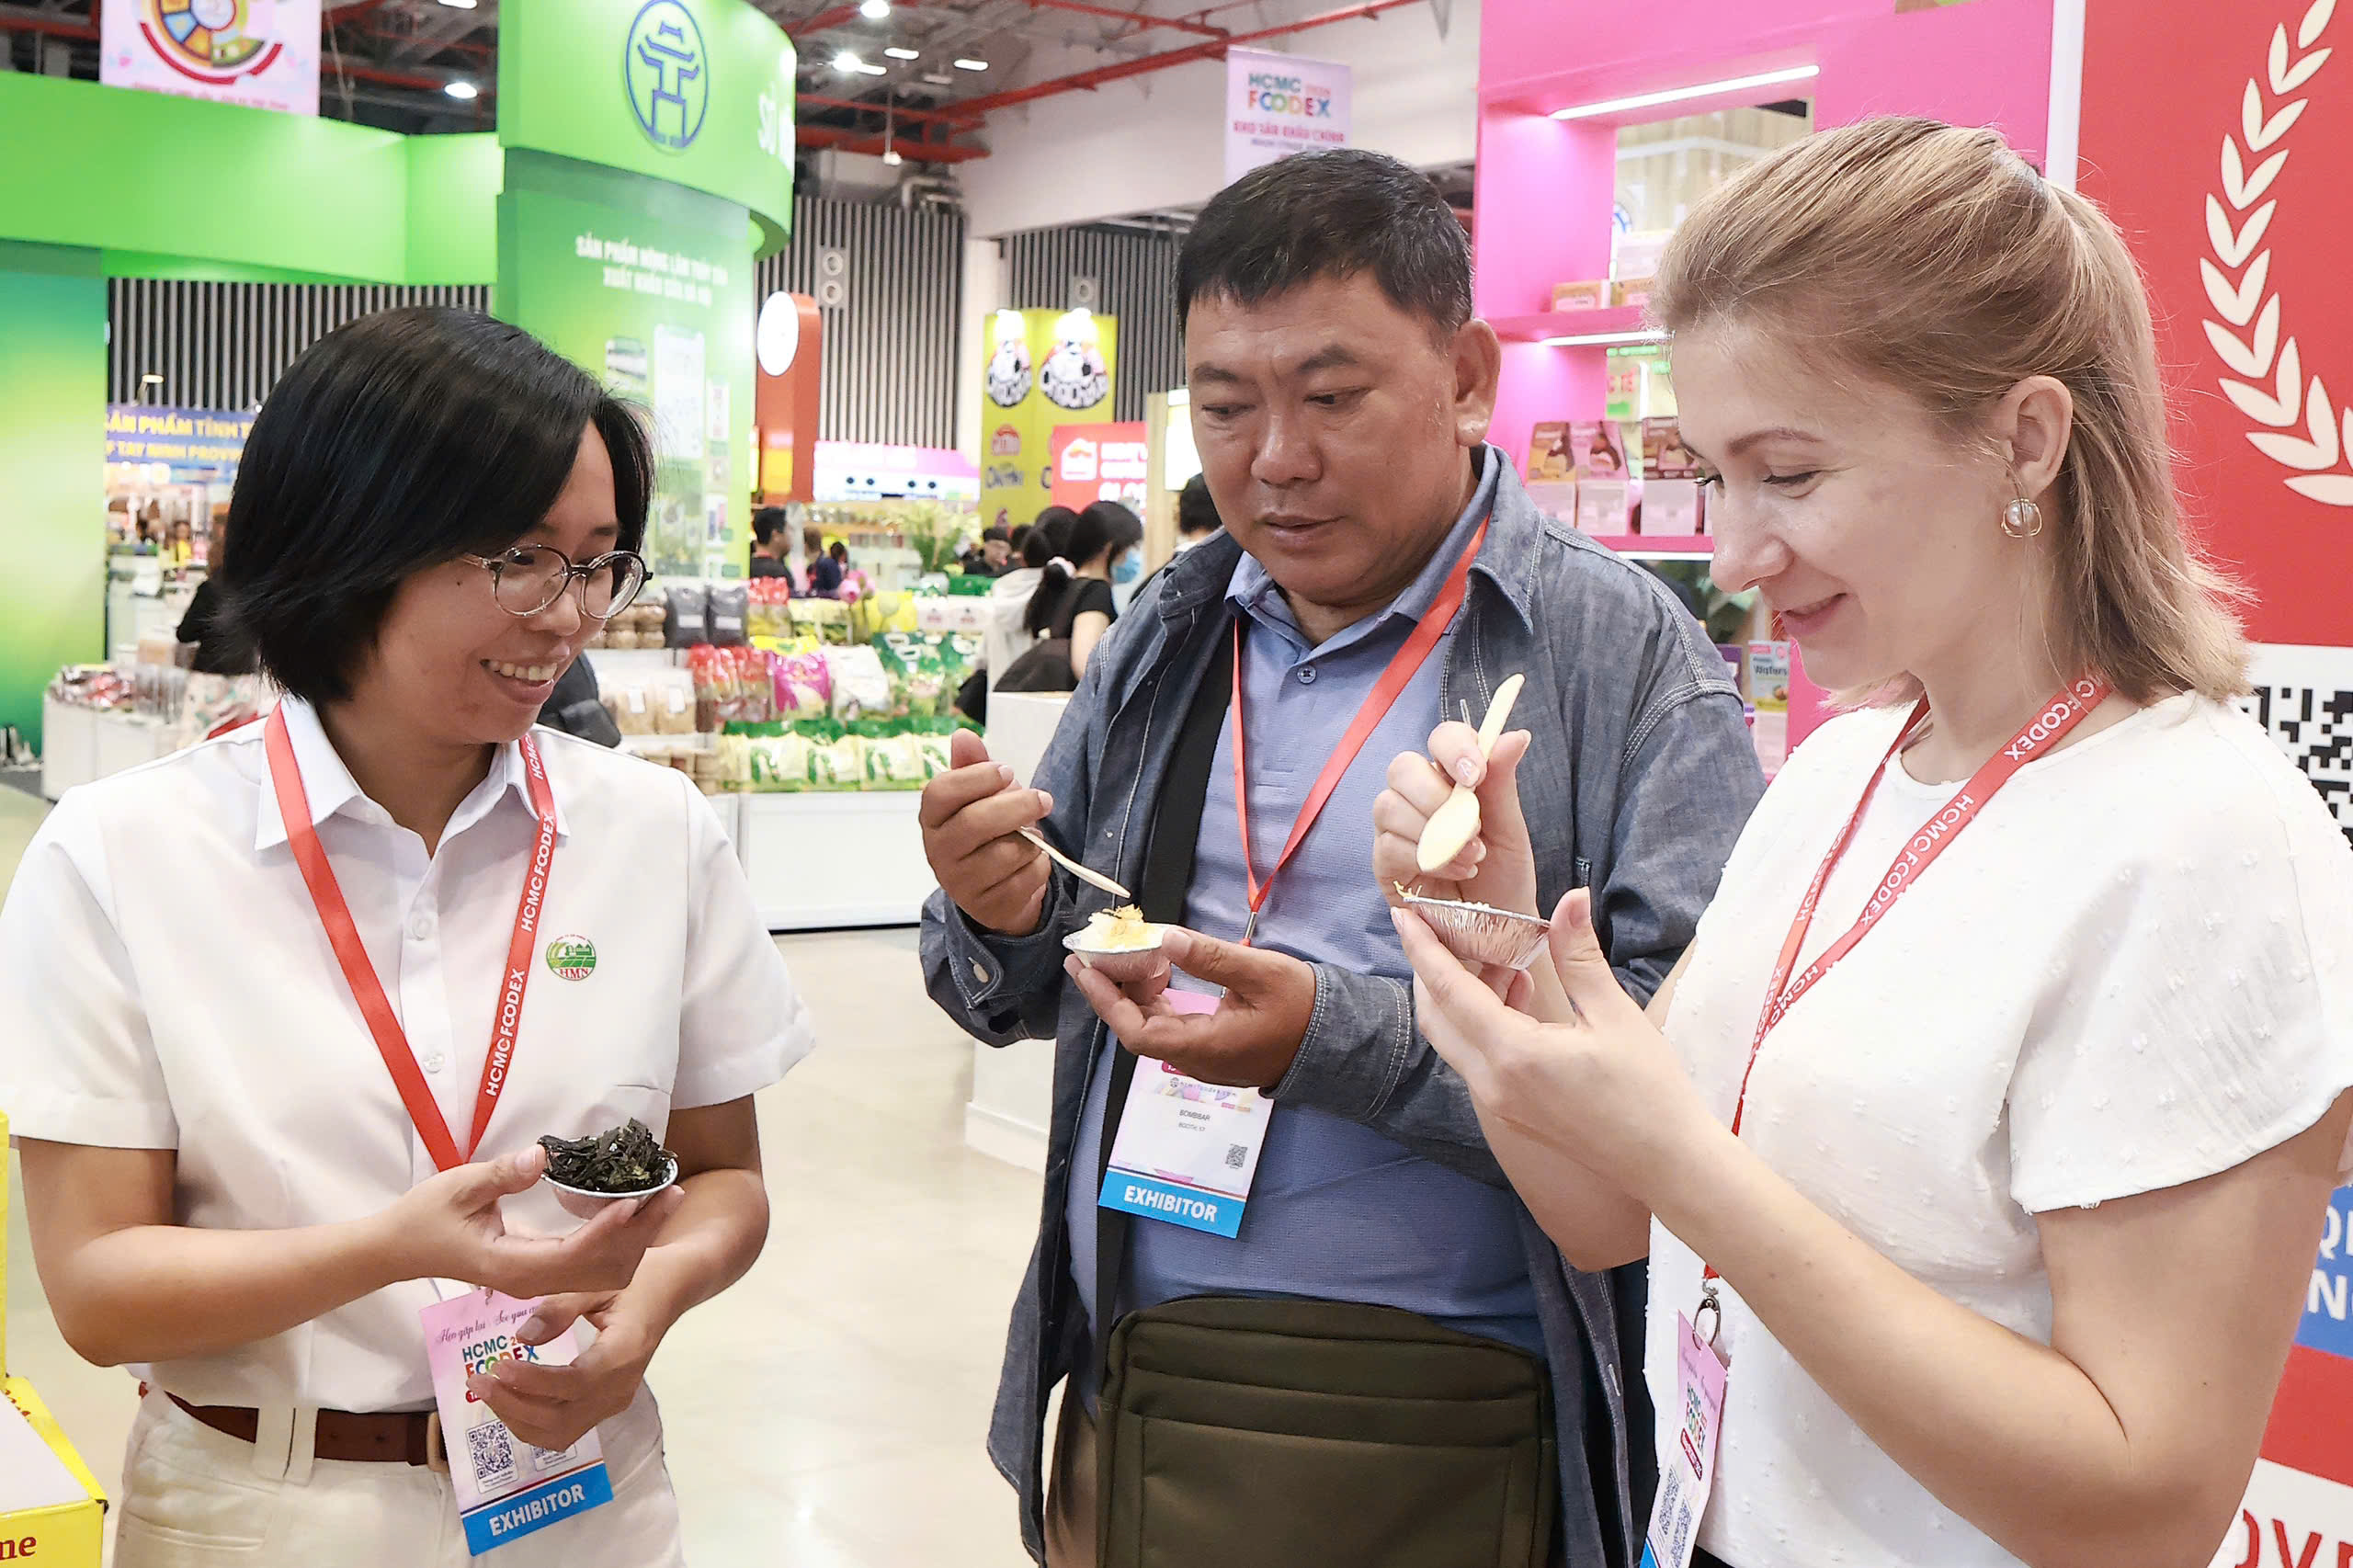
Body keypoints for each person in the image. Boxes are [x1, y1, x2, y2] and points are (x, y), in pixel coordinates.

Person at [1383, 119, 2353, 1568]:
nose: (1733, 555)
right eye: (1715, 476)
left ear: (2026, 439)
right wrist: (1500, 953)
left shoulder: (2202, 840)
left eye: (1789, 473)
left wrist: (1689, 1167)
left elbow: (2145, 1506)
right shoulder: (1838, 770)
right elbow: (1606, 1215)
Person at [918, 148, 1761, 1568]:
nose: (1275, 459)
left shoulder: (1620, 660)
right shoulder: (1173, 627)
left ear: (1468, 378)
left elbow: (1687, 1092)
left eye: (1331, 396)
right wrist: (999, 907)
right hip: (1137, 1385)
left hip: (1461, 1424)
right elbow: (1022, 979)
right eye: (1227, 408)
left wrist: (1326, 1038)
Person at [0, 306, 814, 1568]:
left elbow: (726, 1180)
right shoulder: (123, 854)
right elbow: (98, 1289)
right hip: (259, 1508)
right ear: (350, 541)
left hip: (583, 1496)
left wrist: (647, 1302)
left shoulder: (653, 832)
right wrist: (389, 1250)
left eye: (599, 562)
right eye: (521, 558)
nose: (570, 615)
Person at [1013, 500, 1141, 684]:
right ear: (1109, 548)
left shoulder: (1064, 584)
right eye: (1130, 549)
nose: (1131, 557)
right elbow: (1087, 667)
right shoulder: (1096, 592)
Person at [175, 518, 256, 677]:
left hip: (210, 673)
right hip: (245, 673)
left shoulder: (209, 589)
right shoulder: (251, 589)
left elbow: (185, 634)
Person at [748, 506, 792, 578]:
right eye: (790, 531)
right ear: (776, 535)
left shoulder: (745, 566)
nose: (791, 537)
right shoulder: (779, 574)